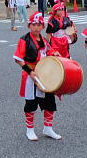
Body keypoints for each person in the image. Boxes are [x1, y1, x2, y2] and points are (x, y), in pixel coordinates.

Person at [13, 12, 61, 140]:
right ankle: (30, 130)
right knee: (31, 104)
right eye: (34, 24)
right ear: (29, 26)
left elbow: (49, 51)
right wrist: (30, 71)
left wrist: (54, 53)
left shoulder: (44, 40)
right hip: (31, 75)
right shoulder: (24, 40)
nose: (36, 27)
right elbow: (18, 59)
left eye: (39, 25)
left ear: (42, 26)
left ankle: (48, 128)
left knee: (50, 102)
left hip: (44, 75)